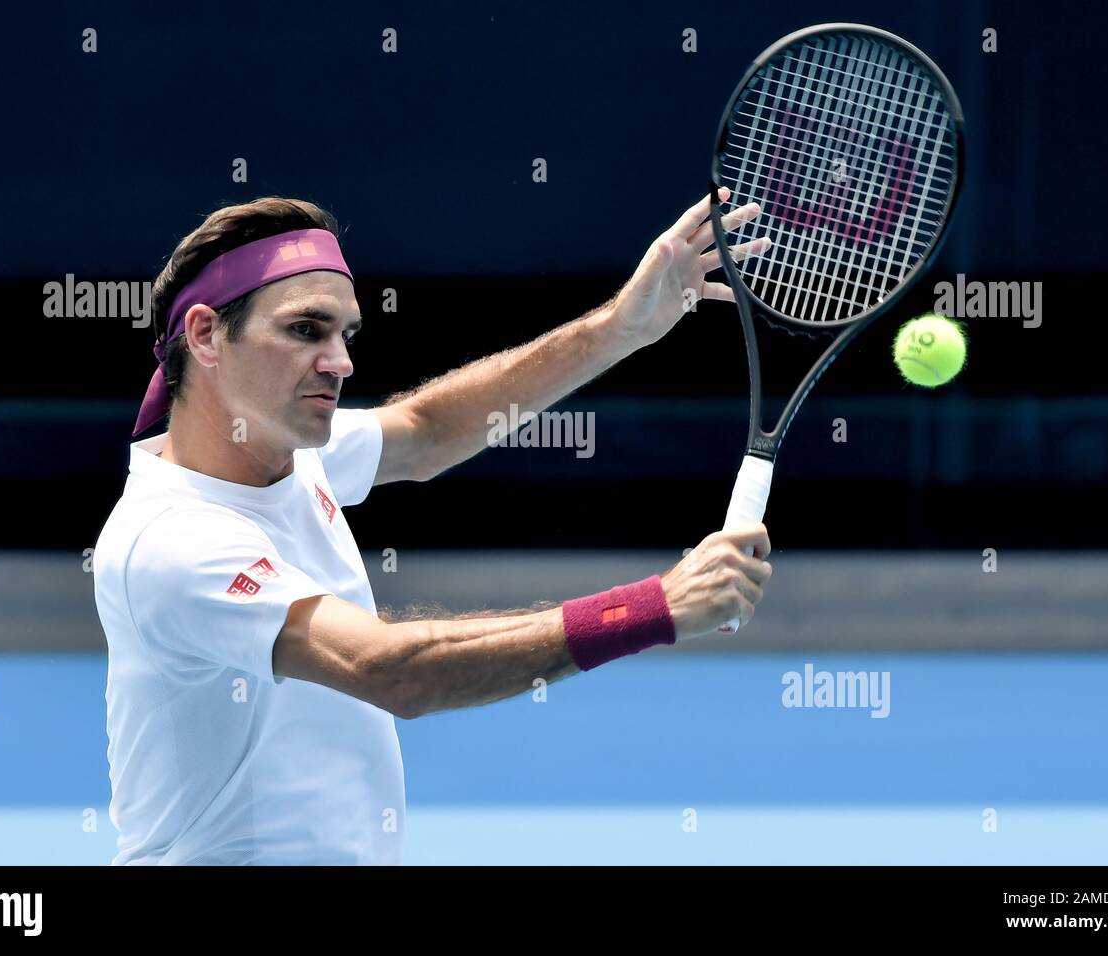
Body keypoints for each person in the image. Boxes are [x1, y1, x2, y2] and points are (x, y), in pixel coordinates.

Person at [92, 191, 774, 865]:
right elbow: (393, 671)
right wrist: (652, 608)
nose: (340, 362)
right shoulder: (173, 542)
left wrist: (620, 327)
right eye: (305, 330)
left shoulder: (287, 448)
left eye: (345, 335)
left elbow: (427, 430)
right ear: (207, 335)